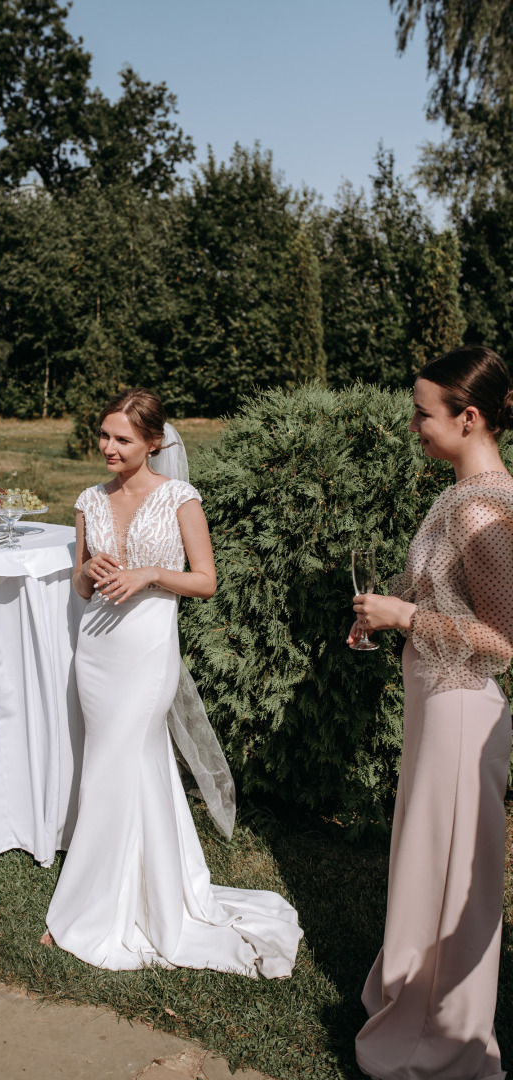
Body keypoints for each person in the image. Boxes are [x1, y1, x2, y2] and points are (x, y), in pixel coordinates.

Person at [43, 387, 302, 978]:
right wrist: (86, 570)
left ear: (153, 443)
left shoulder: (180, 497)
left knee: (117, 762)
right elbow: (80, 588)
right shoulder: (88, 500)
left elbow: (206, 581)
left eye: (122, 439)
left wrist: (153, 575)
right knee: (122, 767)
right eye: (104, 435)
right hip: (98, 652)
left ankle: (88, 908)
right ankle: (140, 886)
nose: (108, 447)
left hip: (148, 653)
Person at [349, 345, 513, 1080]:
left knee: (448, 881)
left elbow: (504, 642)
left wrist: (405, 617)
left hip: (459, 712)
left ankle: (441, 1044)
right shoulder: (461, 492)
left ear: (469, 416)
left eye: (423, 411)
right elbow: (455, 600)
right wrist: (390, 614)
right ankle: (409, 1001)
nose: (412, 424)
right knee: (423, 870)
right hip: (434, 705)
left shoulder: (481, 507)